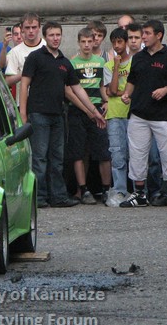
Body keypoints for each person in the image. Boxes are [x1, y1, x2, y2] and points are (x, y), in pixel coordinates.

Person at [19, 21, 106, 208]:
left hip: (58, 115)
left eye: (58, 35)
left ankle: (58, 196)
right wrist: (23, 114)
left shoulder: (64, 62)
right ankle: (39, 197)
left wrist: (94, 111)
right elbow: (24, 85)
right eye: (51, 35)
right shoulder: (35, 57)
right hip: (38, 114)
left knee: (57, 158)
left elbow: (78, 89)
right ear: (45, 37)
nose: (55, 38)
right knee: (40, 158)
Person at [119, 20, 167, 208]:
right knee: (137, 154)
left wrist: (166, 90)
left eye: (147, 33)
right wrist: (126, 94)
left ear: (159, 35)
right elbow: (132, 80)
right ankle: (139, 193)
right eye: (143, 33)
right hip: (138, 113)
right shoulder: (138, 57)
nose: (144, 37)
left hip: (162, 114)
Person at [66, 28, 111, 204]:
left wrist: (106, 101)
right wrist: (87, 110)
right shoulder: (72, 63)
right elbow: (70, 91)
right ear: (78, 43)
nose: (86, 45)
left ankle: (106, 189)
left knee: (103, 150)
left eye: (89, 41)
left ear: (94, 42)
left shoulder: (101, 62)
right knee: (79, 151)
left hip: (98, 108)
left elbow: (102, 85)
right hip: (78, 111)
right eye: (83, 42)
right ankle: (83, 189)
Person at [103, 28, 132, 207]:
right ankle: (120, 189)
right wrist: (116, 66)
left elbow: (136, 88)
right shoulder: (108, 66)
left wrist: (123, 92)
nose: (117, 45)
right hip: (114, 114)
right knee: (117, 154)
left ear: (126, 42)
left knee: (136, 153)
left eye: (120, 41)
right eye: (114, 42)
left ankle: (140, 190)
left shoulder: (134, 63)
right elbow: (112, 90)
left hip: (132, 113)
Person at [4, 13, 45, 106]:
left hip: (46, 101)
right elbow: (8, 81)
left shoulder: (46, 46)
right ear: (22, 28)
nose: (31, 31)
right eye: (27, 27)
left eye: (34, 27)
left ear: (39, 27)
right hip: (24, 103)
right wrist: (26, 72)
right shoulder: (15, 51)